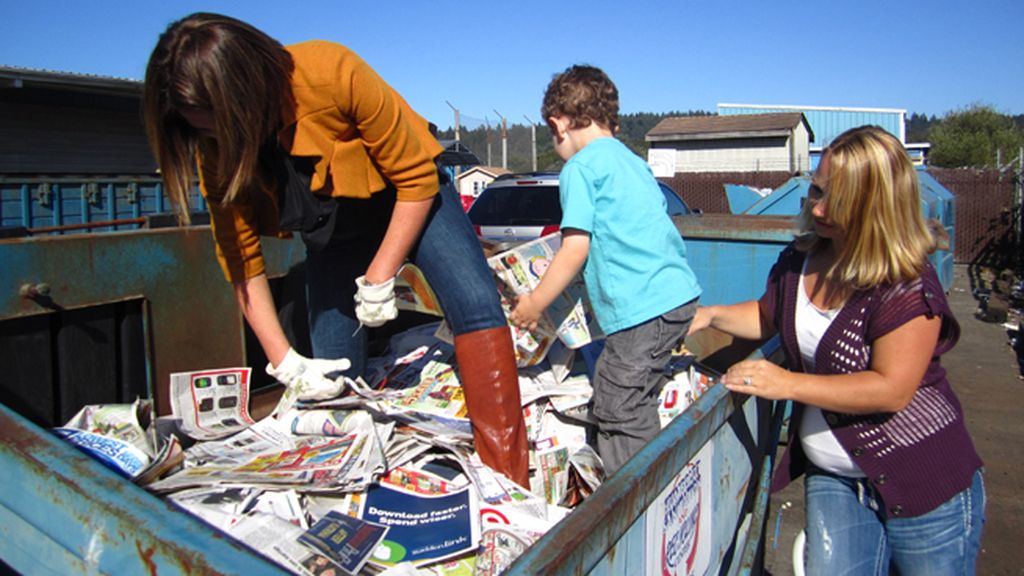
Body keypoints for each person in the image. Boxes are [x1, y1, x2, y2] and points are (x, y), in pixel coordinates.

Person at [142, 12, 528, 486]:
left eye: (219, 127)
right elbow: (240, 258)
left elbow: (416, 180)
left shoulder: (330, 70)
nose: (215, 142)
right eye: (204, 133)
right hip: (334, 231)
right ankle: (350, 482)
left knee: (474, 304)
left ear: (243, 95)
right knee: (334, 368)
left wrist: (381, 276)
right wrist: (283, 360)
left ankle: (508, 479)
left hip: (411, 198)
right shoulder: (213, 151)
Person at [688, 126, 985, 574]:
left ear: (877, 204)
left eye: (838, 200)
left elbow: (892, 389)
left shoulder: (906, 283)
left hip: (923, 481)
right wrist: (710, 315)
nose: (819, 208)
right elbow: (771, 316)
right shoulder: (799, 259)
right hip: (836, 480)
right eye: (816, 190)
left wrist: (787, 383)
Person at [510, 65, 702, 476]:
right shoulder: (632, 162)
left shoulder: (579, 169)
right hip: (676, 296)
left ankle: (634, 492)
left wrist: (535, 303)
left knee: (617, 399)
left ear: (558, 124)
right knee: (632, 388)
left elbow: (576, 246)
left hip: (645, 309)